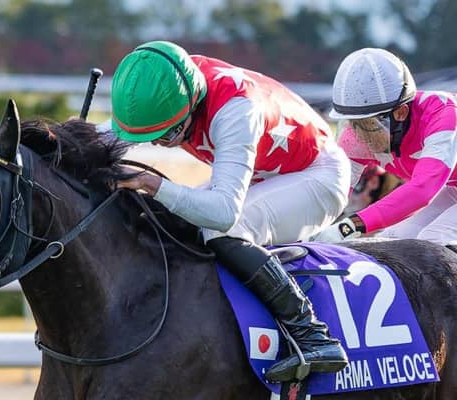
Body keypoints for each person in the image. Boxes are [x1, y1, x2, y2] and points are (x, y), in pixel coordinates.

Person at [109, 40, 349, 382]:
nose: (158, 143)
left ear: (191, 104)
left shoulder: (235, 112)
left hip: (319, 176)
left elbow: (223, 214)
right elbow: (110, 135)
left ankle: (311, 334)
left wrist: (154, 184)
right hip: (271, 172)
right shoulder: (166, 82)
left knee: (220, 229)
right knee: (169, 219)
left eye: (167, 134)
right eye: (152, 137)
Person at [312, 48, 457, 245]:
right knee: (392, 240)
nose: (360, 137)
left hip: (438, 188)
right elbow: (335, 192)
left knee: (435, 240)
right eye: (353, 123)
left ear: (401, 113)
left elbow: (423, 189)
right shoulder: (356, 136)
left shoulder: (444, 115)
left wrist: (350, 226)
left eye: (368, 124)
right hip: (452, 187)